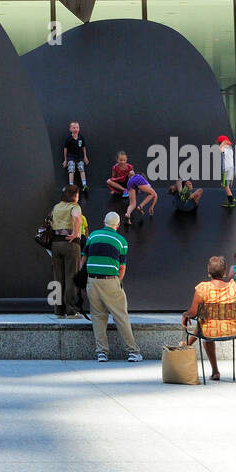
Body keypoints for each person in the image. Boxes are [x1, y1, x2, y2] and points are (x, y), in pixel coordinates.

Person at [79, 212, 142, 362]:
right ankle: (133, 352)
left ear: (104, 222)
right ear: (118, 225)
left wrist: (83, 278)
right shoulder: (121, 241)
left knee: (98, 316)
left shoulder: (92, 236)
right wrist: (116, 282)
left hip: (92, 281)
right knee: (121, 316)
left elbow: (83, 260)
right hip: (110, 281)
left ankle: (102, 352)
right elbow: (122, 268)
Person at [181, 255, 236, 380]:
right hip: (231, 329)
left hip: (210, 331)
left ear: (208, 271)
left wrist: (185, 315)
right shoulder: (232, 287)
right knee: (206, 320)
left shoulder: (202, 288)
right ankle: (187, 345)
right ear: (224, 272)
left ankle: (215, 371)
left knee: (205, 323)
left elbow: (193, 312)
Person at [47, 183, 83, 318]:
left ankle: (58, 311)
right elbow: (76, 218)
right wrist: (75, 233)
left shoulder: (57, 206)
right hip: (70, 243)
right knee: (71, 276)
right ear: (75, 195)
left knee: (58, 278)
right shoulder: (74, 206)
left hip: (55, 244)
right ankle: (71, 310)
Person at [106, 151, 157, 223]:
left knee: (132, 204)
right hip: (131, 181)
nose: (123, 162)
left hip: (129, 183)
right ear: (117, 160)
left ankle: (128, 214)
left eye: (124, 160)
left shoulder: (129, 167)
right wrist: (152, 207)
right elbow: (155, 196)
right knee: (152, 194)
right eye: (121, 160)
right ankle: (140, 206)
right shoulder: (145, 183)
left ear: (126, 160)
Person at [62, 122, 89, 195]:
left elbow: (83, 147)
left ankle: (84, 185)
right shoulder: (69, 139)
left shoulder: (81, 137)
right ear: (70, 129)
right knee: (71, 169)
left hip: (79, 157)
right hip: (71, 157)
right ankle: (70, 186)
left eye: (77, 127)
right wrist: (65, 159)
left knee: (81, 168)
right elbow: (65, 149)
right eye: (74, 128)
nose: (76, 129)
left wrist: (85, 156)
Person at [217, 134, 235, 207]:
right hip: (231, 168)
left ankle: (230, 200)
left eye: (219, 143)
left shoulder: (225, 147)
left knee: (225, 185)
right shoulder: (230, 148)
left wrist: (223, 143)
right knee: (226, 184)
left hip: (226, 169)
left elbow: (220, 149)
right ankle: (231, 197)